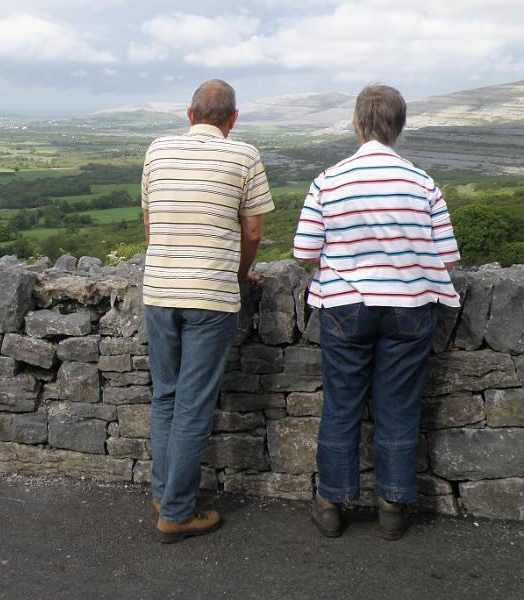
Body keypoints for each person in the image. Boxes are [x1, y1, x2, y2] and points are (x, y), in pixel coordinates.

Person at [293, 84, 460, 540]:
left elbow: (304, 252)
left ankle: (331, 502)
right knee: (399, 406)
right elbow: (446, 259)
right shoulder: (423, 183)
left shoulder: (328, 180)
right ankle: (392, 506)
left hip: (345, 305)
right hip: (410, 307)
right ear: (399, 127)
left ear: (356, 123)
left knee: (343, 404)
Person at [141, 79, 274, 543]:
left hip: (159, 291)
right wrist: (237, 274)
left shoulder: (157, 151)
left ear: (190, 114)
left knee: (165, 397)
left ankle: (164, 495)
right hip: (211, 296)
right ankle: (176, 512)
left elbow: (151, 222)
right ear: (233, 119)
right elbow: (253, 231)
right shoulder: (244, 156)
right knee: (194, 405)